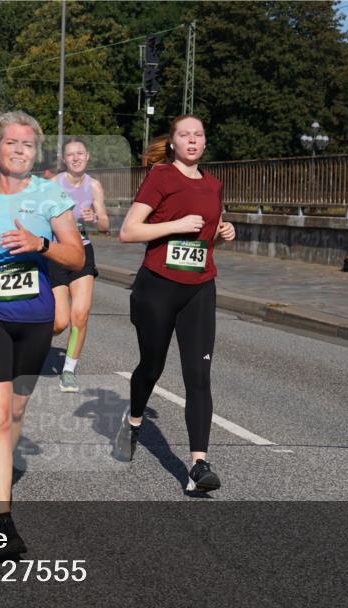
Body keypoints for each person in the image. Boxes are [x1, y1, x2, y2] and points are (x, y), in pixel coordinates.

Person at [0, 111, 84, 555]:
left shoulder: (50, 195)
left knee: (17, 414)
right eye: (12, 143)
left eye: (27, 144)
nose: (20, 150)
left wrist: (39, 244)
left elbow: (77, 257)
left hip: (35, 316)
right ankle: (2, 517)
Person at [115, 115, 236, 493]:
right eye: (185, 135)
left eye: (198, 134)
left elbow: (204, 237)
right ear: (172, 143)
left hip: (200, 287)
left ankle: (199, 465)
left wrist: (224, 235)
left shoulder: (214, 185)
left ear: (204, 142)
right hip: (158, 286)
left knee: (198, 377)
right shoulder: (161, 177)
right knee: (151, 366)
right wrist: (174, 224)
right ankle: (133, 423)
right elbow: (128, 231)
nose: (193, 140)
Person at [50, 137, 109, 392]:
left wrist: (95, 218)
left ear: (87, 157)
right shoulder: (53, 184)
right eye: (71, 154)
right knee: (59, 323)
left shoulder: (94, 186)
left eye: (80, 153)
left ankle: (69, 370)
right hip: (57, 253)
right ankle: (36, 340)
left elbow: (106, 226)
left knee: (80, 315)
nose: (76, 158)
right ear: (64, 159)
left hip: (83, 253)